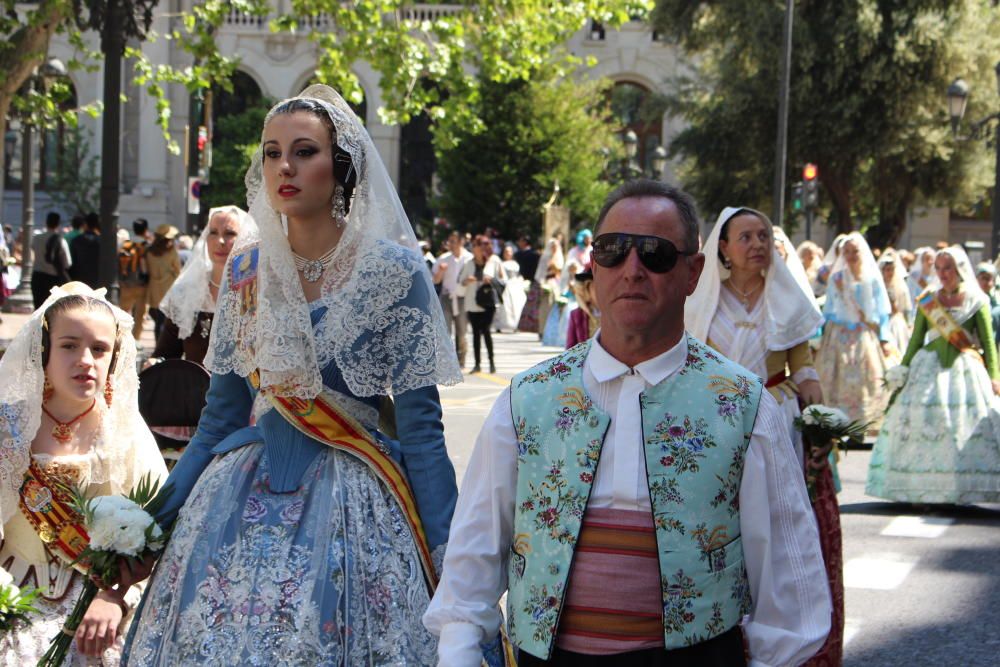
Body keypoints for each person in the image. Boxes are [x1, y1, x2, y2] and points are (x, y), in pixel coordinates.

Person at [120, 84, 463, 664]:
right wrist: (150, 525)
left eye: (304, 151)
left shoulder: (395, 273)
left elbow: (423, 434)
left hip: (355, 509)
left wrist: (456, 563)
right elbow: (220, 417)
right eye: (272, 152)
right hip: (232, 505)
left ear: (342, 166)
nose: (285, 166)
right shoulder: (245, 271)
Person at [425, 180, 831, 666]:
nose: (632, 270)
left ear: (693, 272)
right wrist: (459, 651)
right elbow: (475, 549)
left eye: (656, 254)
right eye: (614, 251)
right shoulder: (526, 399)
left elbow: (787, 573)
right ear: (594, 264)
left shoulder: (744, 405)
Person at [686, 208, 843, 665]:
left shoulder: (785, 298)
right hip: (714, 424)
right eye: (747, 236)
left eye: (765, 236)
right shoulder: (702, 301)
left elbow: (802, 362)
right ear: (723, 247)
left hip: (775, 420)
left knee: (773, 523)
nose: (758, 244)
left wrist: (814, 399)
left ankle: (777, 620)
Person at [0, 282, 168, 664]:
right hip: (14, 595)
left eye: (99, 349)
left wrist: (117, 599)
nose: (86, 360)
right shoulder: (8, 425)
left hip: (100, 598)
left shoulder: (123, 431)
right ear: (44, 351)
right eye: (69, 345)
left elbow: (158, 529)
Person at [868, 246, 1000, 504]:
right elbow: (915, 341)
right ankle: (922, 487)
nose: (942, 274)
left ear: (960, 269)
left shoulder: (977, 301)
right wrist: (901, 370)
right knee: (924, 422)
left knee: (961, 426)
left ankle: (959, 486)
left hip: (965, 370)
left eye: (947, 268)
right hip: (927, 369)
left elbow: (988, 343)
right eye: (939, 269)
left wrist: (994, 377)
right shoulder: (928, 301)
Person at [815, 232, 895, 436]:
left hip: (864, 335)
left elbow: (881, 312)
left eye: (855, 251)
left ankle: (860, 425)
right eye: (846, 251)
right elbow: (830, 308)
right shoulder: (837, 278)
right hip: (839, 334)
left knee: (865, 381)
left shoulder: (872, 279)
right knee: (837, 379)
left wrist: (884, 338)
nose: (850, 255)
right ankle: (838, 423)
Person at [151, 206, 248, 365]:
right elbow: (166, 354)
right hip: (194, 388)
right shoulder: (187, 293)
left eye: (230, 233)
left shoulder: (256, 293)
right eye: (213, 232)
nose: (220, 241)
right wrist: (155, 363)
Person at [460, 234, 507, 374]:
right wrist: (467, 280)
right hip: (472, 302)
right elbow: (461, 282)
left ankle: (492, 363)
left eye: (477, 245)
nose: (475, 248)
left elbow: (504, 280)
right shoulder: (469, 263)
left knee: (486, 330)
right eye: (474, 246)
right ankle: (477, 364)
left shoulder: (494, 261)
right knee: (475, 333)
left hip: (488, 302)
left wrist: (491, 280)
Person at [433, 231, 473, 369]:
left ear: (461, 242)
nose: (450, 244)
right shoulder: (443, 258)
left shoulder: (469, 258)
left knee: (462, 331)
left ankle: (461, 359)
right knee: (446, 330)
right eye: (449, 241)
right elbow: (436, 280)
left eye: (453, 241)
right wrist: (440, 271)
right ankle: (448, 360)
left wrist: (469, 281)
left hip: (462, 298)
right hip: (446, 296)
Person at [145, 224, 182, 341]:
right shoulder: (172, 252)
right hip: (169, 290)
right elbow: (178, 271)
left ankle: (158, 344)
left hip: (154, 289)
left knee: (158, 321)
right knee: (164, 320)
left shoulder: (149, 252)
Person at [30, 212, 72, 308]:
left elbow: (32, 249)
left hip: (37, 276)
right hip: (53, 279)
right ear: (58, 224)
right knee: (51, 309)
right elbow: (67, 263)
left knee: (38, 307)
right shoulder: (61, 240)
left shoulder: (36, 238)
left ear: (46, 222)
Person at [118, 219, 150, 341]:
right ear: (145, 230)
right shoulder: (146, 246)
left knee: (123, 315)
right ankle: (135, 341)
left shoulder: (126, 245)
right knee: (139, 317)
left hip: (126, 285)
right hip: (142, 286)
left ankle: (121, 339)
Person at [879, 249, 914, 352]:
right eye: (887, 270)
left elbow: (907, 308)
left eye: (891, 269)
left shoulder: (901, 286)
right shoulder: (879, 287)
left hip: (896, 321)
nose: (889, 272)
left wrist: (909, 325)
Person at [494, 244, 527, 333]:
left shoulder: (515, 264)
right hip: (506, 285)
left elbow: (518, 274)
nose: (508, 253)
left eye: (509, 252)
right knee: (505, 306)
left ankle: (516, 325)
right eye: (506, 252)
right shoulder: (501, 263)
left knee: (517, 304)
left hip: (516, 285)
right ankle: (500, 325)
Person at [564, 263, 599, 348]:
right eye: (596, 286)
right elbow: (570, 348)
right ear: (587, 289)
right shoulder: (577, 315)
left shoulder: (615, 314)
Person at [69, 212, 102, 289]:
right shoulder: (103, 242)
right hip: (98, 281)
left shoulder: (76, 241)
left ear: (85, 224)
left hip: (80, 282)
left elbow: (72, 262)